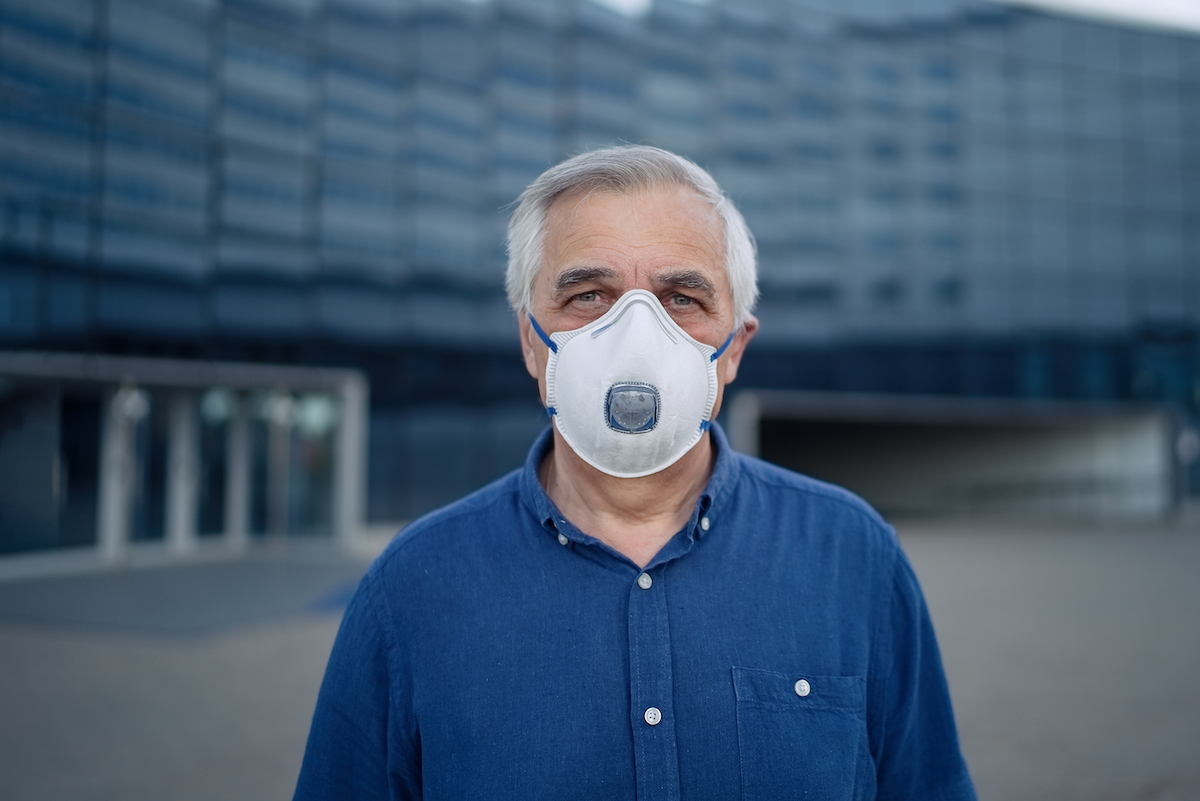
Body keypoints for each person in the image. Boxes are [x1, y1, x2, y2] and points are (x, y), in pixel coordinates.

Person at [294, 146, 976, 800]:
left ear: (734, 348)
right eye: (590, 294)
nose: (636, 334)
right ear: (532, 341)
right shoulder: (413, 587)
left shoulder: (852, 556)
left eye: (682, 297)